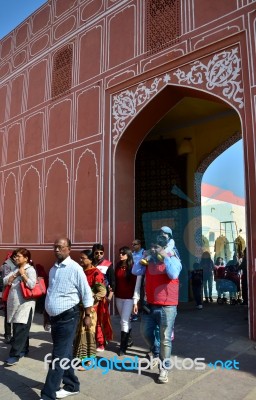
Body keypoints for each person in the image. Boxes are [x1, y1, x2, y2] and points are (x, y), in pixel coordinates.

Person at [40, 238, 94, 400]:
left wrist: (88, 315)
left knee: (58, 356)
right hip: (54, 318)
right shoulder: (53, 269)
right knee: (65, 353)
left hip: (69, 317)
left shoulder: (75, 268)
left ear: (69, 249)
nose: (57, 250)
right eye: (55, 247)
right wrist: (46, 313)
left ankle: (48, 394)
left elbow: (86, 293)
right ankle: (71, 385)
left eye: (60, 247)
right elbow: (51, 292)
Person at [132, 235, 182, 384]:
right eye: (152, 247)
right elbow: (135, 271)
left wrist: (165, 256)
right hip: (150, 304)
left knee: (165, 338)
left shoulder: (173, 259)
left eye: (157, 247)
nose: (153, 250)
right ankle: (155, 352)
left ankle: (164, 368)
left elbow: (173, 274)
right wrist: (144, 256)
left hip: (167, 306)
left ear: (164, 248)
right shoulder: (148, 262)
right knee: (145, 332)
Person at [73, 250, 106, 371]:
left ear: (91, 260)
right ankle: (80, 358)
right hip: (79, 308)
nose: (80, 260)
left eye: (83, 258)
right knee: (79, 333)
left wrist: (91, 299)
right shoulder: (80, 272)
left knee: (87, 333)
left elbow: (102, 292)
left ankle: (89, 361)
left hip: (90, 310)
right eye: (80, 258)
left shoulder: (96, 273)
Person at [3, 248, 37, 366]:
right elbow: (5, 281)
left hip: (25, 304)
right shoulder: (15, 269)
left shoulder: (30, 270)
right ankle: (24, 350)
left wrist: (23, 274)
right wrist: (15, 274)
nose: (15, 258)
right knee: (21, 328)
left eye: (18, 256)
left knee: (19, 329)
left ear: (26, 258)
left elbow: (32, 285)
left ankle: (14, 355)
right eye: (15, 256)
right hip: (14, 303)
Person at [92, 243, 115, 351]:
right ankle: (91, 340)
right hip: (91, 296)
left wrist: (109, 298)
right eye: (96, 253)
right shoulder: (89, 263)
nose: (99, 255)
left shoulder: (108, 264)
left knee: (101, 320)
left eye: (101, 253)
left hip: (103, 297)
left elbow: (113, 283)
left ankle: (101, 342)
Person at [115, 246, 137, 356]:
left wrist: (136, 301)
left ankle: (122, 347)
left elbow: (135, 285)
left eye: (123, 253)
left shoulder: (133, 267)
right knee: (126, 320)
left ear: (128, 255)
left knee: (123, 321)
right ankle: (129, 340)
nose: (121, 255)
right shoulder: (118, 266)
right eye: (120, 253)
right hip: (118, 297)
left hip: (129, 298)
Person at [1, 250, 17, 344]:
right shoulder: (7, 265)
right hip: (8, 292)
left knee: (15, 315)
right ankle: (7, 335)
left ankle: (14, 335)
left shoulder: (18, 264)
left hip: (15, 293)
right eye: (15, 256)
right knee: (8, 314)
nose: (17, 258)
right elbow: (5, 279)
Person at [131, 239, 144, 321]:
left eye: (135, 244)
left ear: (139, 245)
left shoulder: (144, 253)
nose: (133, 246)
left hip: (141, 276)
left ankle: (137, 313)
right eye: (132, 244)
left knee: (138, 293)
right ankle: (135, 313)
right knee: (134, 293)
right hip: (133, 276)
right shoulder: (132, 254)